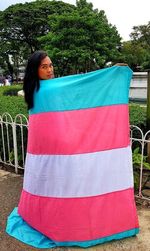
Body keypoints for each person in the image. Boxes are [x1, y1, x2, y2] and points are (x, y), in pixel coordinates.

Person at [6, 51, 139, 249]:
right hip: (57, 144)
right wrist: (113, 75)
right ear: (35, 69)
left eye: (51, 65)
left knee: (51, 183)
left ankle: (53, 217)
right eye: (44, 67)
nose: (50, 70)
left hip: (45, 146)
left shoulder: (33, 88)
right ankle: (67, 221)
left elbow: (71, 87)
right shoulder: (47, 90)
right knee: (64, 183)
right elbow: (80, 87)